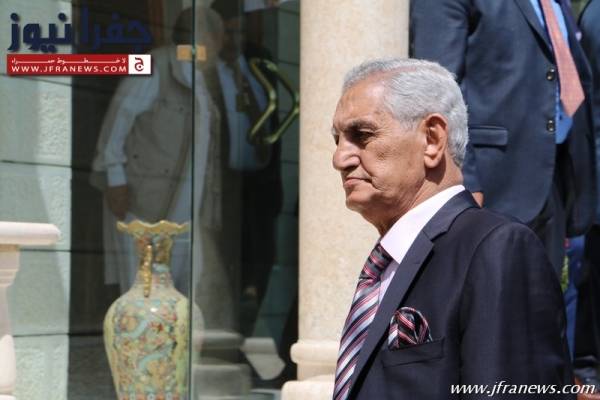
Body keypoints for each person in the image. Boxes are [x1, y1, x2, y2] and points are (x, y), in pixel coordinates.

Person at [331, 58, 573, 400]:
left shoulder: (496, 248)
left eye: (362, 135)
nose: (339, 159)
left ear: (432, 139)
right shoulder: (386, 265)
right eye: (338, 139)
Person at [410, 0, 596, 277]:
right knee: (488, 297)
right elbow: (437, 89)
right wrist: (464, 180)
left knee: (540, 299)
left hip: (553, 183)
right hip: (489, 185)